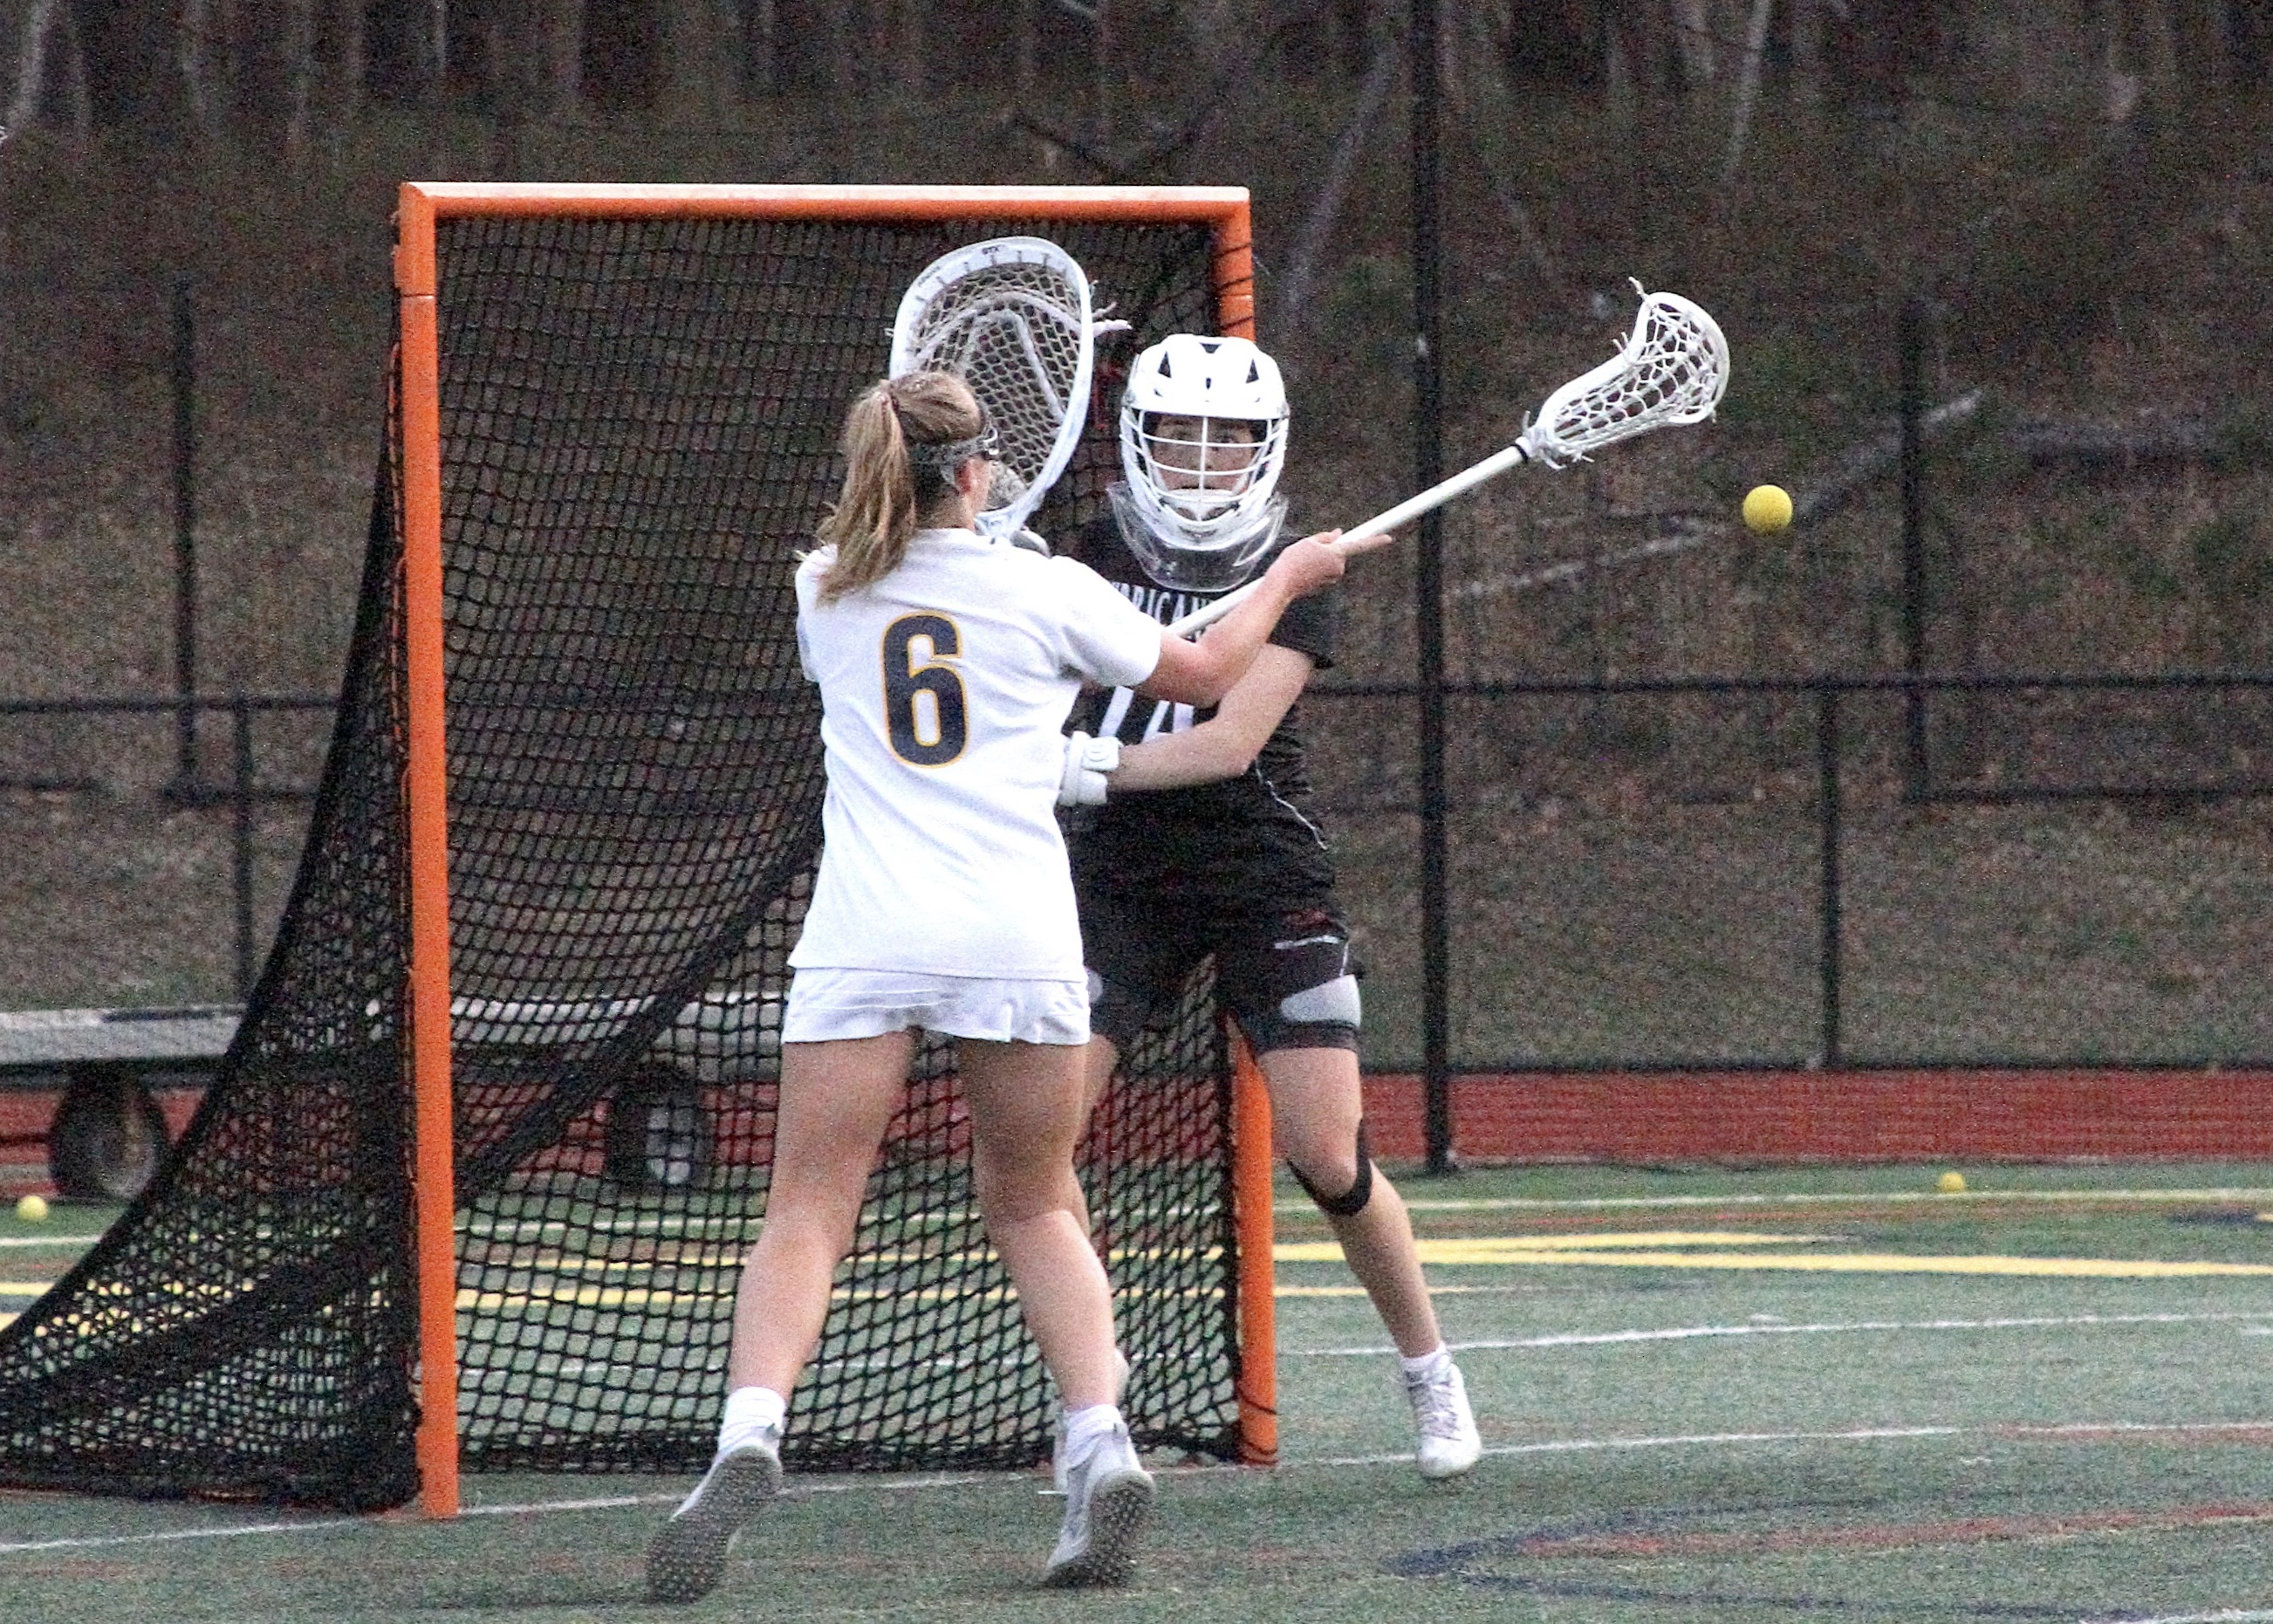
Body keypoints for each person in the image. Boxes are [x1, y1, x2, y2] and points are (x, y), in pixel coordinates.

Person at [645, 368, 1345, 1602]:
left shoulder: (823, 589)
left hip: (870, 928)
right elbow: (1196, 671)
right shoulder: (1048, 590)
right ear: (976, 475)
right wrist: (1286, 575)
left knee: (808, 1207)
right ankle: (1098, 1440)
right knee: (1033, 1202)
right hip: (1016, 930)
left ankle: (749, 1433)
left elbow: (903, 587)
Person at [1056, 333, 1483, 1482]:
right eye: (1178, 433)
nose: (1201, 456)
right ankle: (1093, 1385)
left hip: (1260, 877)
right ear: (1139, 441)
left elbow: (1229, 741)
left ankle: (1427, 1370)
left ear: (1264, 445)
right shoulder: (1085, 554)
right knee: (1038, 1138)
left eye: (1227, 435)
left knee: (1324, 1154)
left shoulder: (1302, 571)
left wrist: (1078, 767)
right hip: (1115, 883)